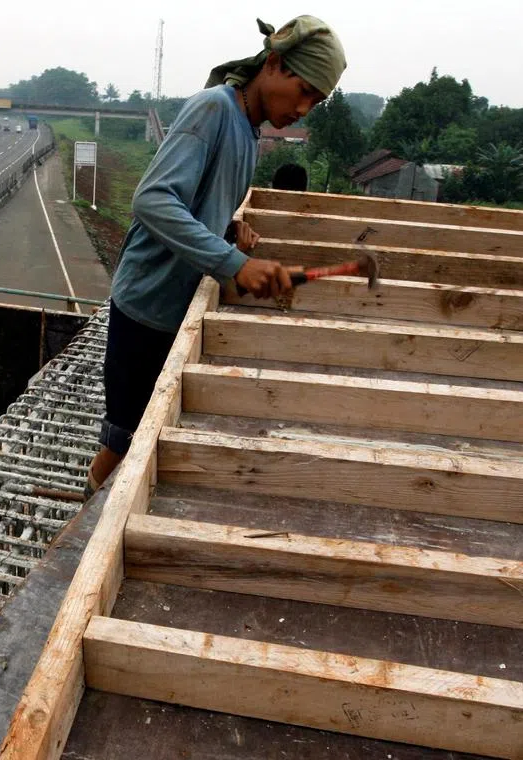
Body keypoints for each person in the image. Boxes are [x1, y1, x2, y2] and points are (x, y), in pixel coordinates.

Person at [87, 15, 347, 493]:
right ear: (274, 63)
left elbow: (195, 200)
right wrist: (235, 264)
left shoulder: (249, 132)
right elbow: (153, 200)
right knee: (123, 441)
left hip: (176, 307)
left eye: (318, 100)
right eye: (305, 90)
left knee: (147, 436)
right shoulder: (214, 109)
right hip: (147, 309)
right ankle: (85, 525)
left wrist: (229, 228)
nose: (305, 108)